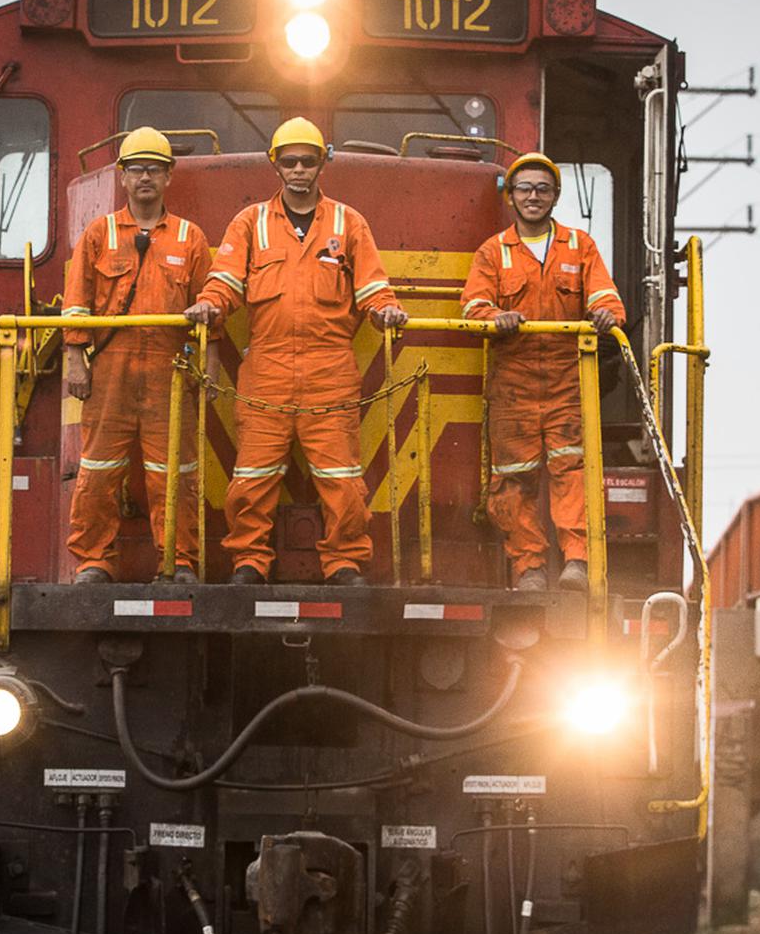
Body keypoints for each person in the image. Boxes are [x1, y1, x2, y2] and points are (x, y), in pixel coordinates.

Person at [185, 117, 407, 586]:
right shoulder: (250, 223)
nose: (300, 169)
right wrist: (209, 305)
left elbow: (373, 285)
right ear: (276, 166)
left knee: (342, 477)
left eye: (309, 160)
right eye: (290, 161)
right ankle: (249, 562)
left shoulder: (349, 222)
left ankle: (344, 562)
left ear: (322, 163)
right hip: (266, 368)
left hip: (330, 367)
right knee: (251, 476)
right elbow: (224, 281)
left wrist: (386, 311)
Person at [461, 152, 625, 592]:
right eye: (525, 189)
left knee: (572, 472)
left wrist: (606, 313)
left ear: (555, 196)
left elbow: (605, 296)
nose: (533, 197)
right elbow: (473, 305)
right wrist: (496, 316)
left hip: (567, 381)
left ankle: (576, 561)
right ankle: (529, 568)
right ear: (511, 197)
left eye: (542, 189)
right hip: (512, 384)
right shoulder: (492, 252)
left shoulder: (580, 246)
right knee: (514, 480)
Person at [62, 126, 217, 585]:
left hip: (170, 369)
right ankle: (93, 561)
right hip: (111, 369)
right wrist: (75, 356)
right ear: (123, 177)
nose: (144, 177)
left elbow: (209, 306)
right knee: (99, 469)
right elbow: (77, 301)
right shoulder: (99, 233)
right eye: (136, 169)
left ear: (169, 176)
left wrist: (209, 360)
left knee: (175, 472)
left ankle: (179, 563)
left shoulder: (190, 238)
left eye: (153, 168)